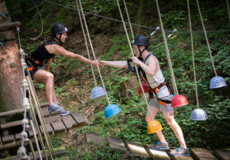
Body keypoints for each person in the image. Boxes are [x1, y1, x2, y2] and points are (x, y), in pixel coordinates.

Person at [99, 35, 190, 156]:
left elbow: (151, 71)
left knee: (170, 121)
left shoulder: (152, 59)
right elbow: (122, 64)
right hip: (154, 94)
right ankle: (163, 143)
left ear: (142, 47)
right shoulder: (140, 60)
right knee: (149, 118)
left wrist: (138, 63)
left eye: (136, 48)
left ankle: (184, 148)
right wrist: (104, 62)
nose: (135, 50)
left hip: (163, 93)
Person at [25, 23, 99, 116]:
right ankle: (51, 105)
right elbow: (76, 56)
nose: (66, 36)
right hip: (28, 68)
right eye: (64, 34)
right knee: (50, 76)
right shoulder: (55, 47)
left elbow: (49, 58)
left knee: (50, 79)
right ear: (57, 35)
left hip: (34, 67)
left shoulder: (52, 44)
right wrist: (91, 62)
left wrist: (47, 69)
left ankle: (56, 107)